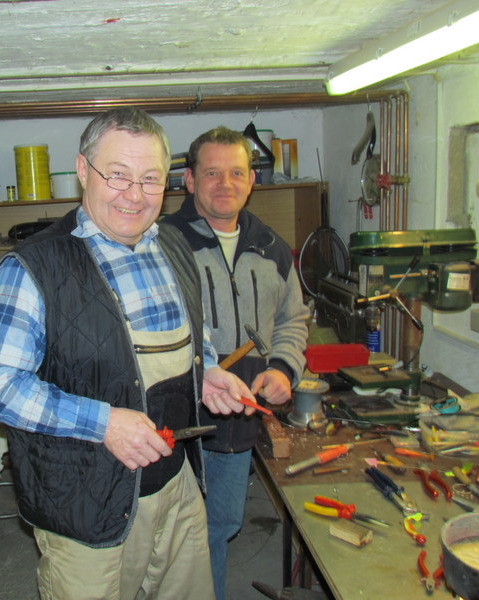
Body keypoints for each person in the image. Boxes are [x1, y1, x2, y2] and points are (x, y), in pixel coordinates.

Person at [0, 108, 256, 600]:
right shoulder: (36, 265)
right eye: (117, 176)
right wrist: (103, 424)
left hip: (175, 485)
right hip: (85, 506)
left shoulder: (175, 247)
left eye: (150, 179)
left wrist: (202, 374)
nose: (135, 195)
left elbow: (189, 336)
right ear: (83, 171)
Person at [161, 126, 308, 600]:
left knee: (219, 525)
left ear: (252, 180)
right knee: (165, 536)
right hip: (174, 417)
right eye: (212, 173)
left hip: (237, 417)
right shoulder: (161, 244)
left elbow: (293, 319)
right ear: (189, 180)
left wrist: (284, 368)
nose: (225, 183)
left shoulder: (271, 247)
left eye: (237, 173)